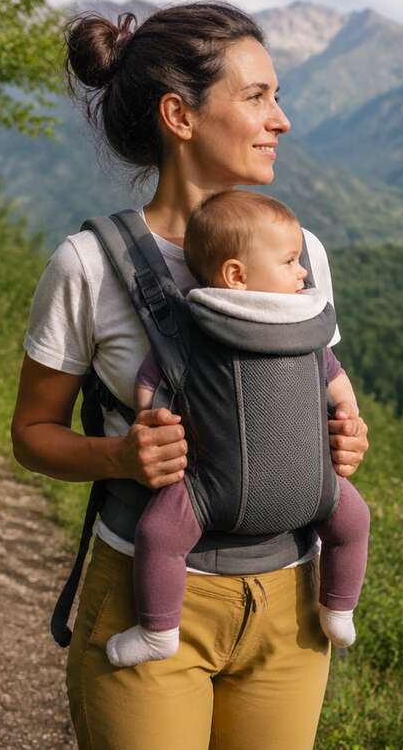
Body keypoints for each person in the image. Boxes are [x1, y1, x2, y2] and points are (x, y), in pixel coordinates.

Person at [11, 2, 370, 750]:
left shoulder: (301, 251)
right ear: (179, 115)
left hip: (292, 603)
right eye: (257, 96)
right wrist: (119, 456)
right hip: (146, 598)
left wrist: (343, 435)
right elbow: (31, 434)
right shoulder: (89, 265)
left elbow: (317, 387)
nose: (281, 120)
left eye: (276, 96)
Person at [106, 189, 370, 668]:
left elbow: (335, 378)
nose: (303, 272)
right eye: (289, 262)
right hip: (223, 492)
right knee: (160, 534)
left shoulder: (303, 321)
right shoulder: (195, 328)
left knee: (354, 521)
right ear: (236, 275)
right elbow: (153, 379)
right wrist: (151, 423)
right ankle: (159, 631)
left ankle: (338, 607)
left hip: (271, 495)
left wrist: (350, 417)